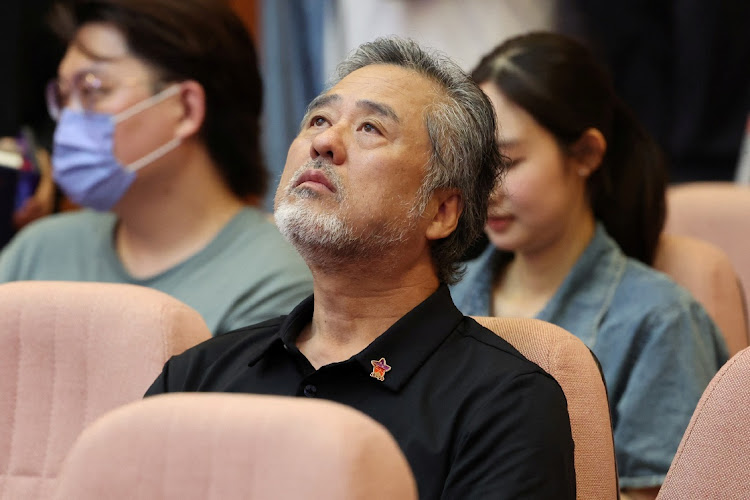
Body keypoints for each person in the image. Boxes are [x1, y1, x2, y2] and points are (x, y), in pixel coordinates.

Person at [146, 36, 576, 499]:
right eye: (318, 119)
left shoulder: (505, 405)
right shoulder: (196, 377)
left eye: (370, 128)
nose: (325, 142)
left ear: (441, 211)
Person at [450, 32, 729, 499]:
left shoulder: (660, 320)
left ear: (585, 155)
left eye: (507, 162)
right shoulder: (447, 294)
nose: (486, 189)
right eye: (476, 166)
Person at [0, 0, 313, 335]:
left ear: (185, 109)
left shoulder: (274, 284)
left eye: (93, 89)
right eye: (63, 96)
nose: (68, 120)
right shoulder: (37, 252)